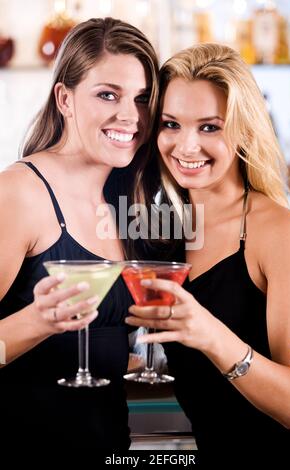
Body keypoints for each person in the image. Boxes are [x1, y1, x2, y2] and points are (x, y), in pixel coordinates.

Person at [125, 43, 290, 454]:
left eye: (209, 127)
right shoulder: (163, 231)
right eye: (171, 124)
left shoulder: (280, 233)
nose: (186, 147)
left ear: (244, 131)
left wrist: (209, 334)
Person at [0, 17, 159, 454]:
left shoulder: (127, 202)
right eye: (107, 94)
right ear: (64, 98)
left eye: (142, 98)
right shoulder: (19, 194)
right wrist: (36, 322)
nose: (130, 115)